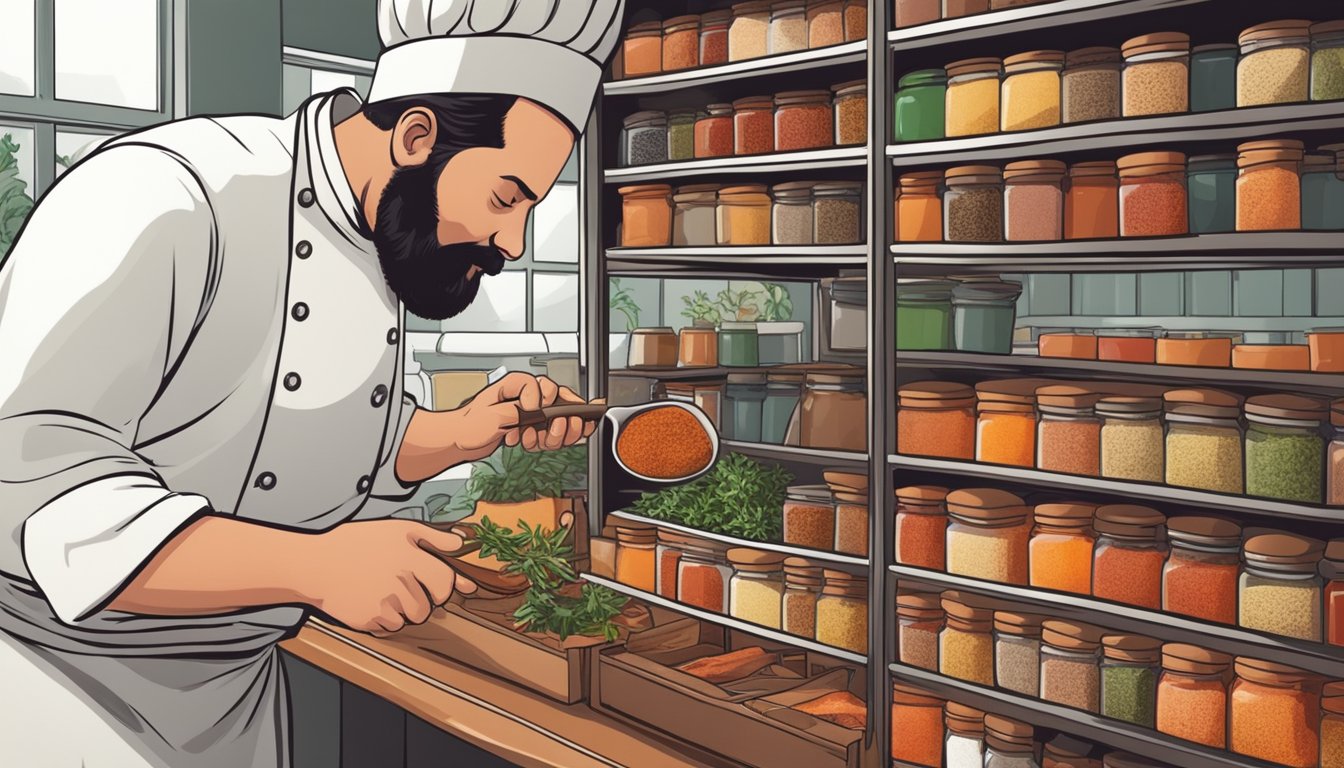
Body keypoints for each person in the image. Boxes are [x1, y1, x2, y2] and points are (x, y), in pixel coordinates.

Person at [0, 0, 626, 765]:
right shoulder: (164, 194)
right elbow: (37, 492)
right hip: (53, 690)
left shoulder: (379, 232)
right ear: (416, 135)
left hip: (234, 702)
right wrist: (316, 567)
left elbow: (314, 441)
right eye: (506, 197)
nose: (514, 243)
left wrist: (461, 432)